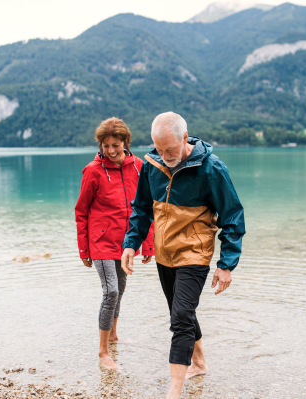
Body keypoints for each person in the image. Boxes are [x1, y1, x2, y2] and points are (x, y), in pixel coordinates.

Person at [121, 112, 245, 398]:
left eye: (170, 150)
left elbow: (233, 217)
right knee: (182, 313)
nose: (164, 156)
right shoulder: (152, 166)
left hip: (194, 253)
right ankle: (199, 362)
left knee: (180, 318)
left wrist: (226, 265)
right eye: (159, 149)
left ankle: (174, 391)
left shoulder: (211, 169)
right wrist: (131, 244)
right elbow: (140, 208)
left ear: (185, 138)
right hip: (165, 254)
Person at [75, 117, 155, 370]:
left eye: (115, 146)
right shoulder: (93, 171)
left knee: (119, 290)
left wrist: (148, 244)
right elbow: (81, 211)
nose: (110, 151)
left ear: (125, 143)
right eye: (105, 146)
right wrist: (84, 249)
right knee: (110, 292)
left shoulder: (139, 167)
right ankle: (102, 353)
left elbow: (147, 208)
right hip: (99, 242)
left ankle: (113, 336)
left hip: (127, 243)